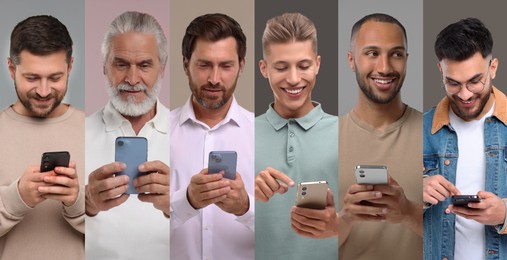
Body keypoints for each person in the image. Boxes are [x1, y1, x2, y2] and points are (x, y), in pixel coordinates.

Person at [85, 11, 170, 259]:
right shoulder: (78, 133)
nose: (132, 80)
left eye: (144, 65)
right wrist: (87, 203)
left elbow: (213, 230)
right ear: (104, 67)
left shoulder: (187, 132)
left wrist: (177, 204)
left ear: (162, 68)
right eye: (121, 64)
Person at [338, 13, 423, 260]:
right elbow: (305, 246)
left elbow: (461, 232)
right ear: (351, 60)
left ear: (406, 59)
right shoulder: (323, 139)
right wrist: (345, 218)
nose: (384, 68)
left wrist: (408, 212)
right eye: (372, 53)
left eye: (396, 54)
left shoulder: (436, 133)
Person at [170, 13, 254, 259]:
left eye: (226, 66)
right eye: (204, 65)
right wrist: (186, 201)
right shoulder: (160, 131)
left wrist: (246, 208)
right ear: (186, 64)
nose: (214, 79)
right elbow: (138, 229)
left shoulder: (262, 133)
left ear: (242, 65)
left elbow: (285, 230)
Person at [254, 12, 338, 260]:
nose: (293, 79)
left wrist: (339, 224)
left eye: (303, 66)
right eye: (281, 67)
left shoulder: (348, 132)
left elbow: (376, 223)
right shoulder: (240, 133)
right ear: (264, 68)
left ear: (318, 65)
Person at [0, 15, 84, 259]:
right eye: (32, 78)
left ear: (70, 68)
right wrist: (17, 198)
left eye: (55, 78)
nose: (44, 91)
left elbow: (121, 232)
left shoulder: (95, 128)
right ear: (11, 68)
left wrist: (77, 202)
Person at [423, 17, 507, 260]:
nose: (465, 94)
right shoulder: (418, 129)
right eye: (453, 83)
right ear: (441, 70)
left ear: (493, 67)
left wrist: (503, 214)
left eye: (474, 81)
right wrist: (416, 190)